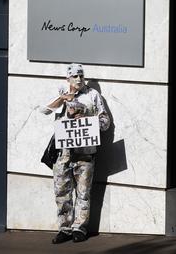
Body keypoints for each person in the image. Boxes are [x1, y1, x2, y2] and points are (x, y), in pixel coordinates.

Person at [40, 63, 110, 244]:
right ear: (68, 79)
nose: (79, 79)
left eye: (81, 76)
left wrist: (87, 119)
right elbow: (44, 110)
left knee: (83, 192)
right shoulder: (61, 92)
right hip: (62, 152)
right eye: (75, 76)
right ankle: (65, 229)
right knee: (61, 191)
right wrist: (62, 99)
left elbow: (105, 122)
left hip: (85, 152)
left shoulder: (93, 95)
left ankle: (79, 228)